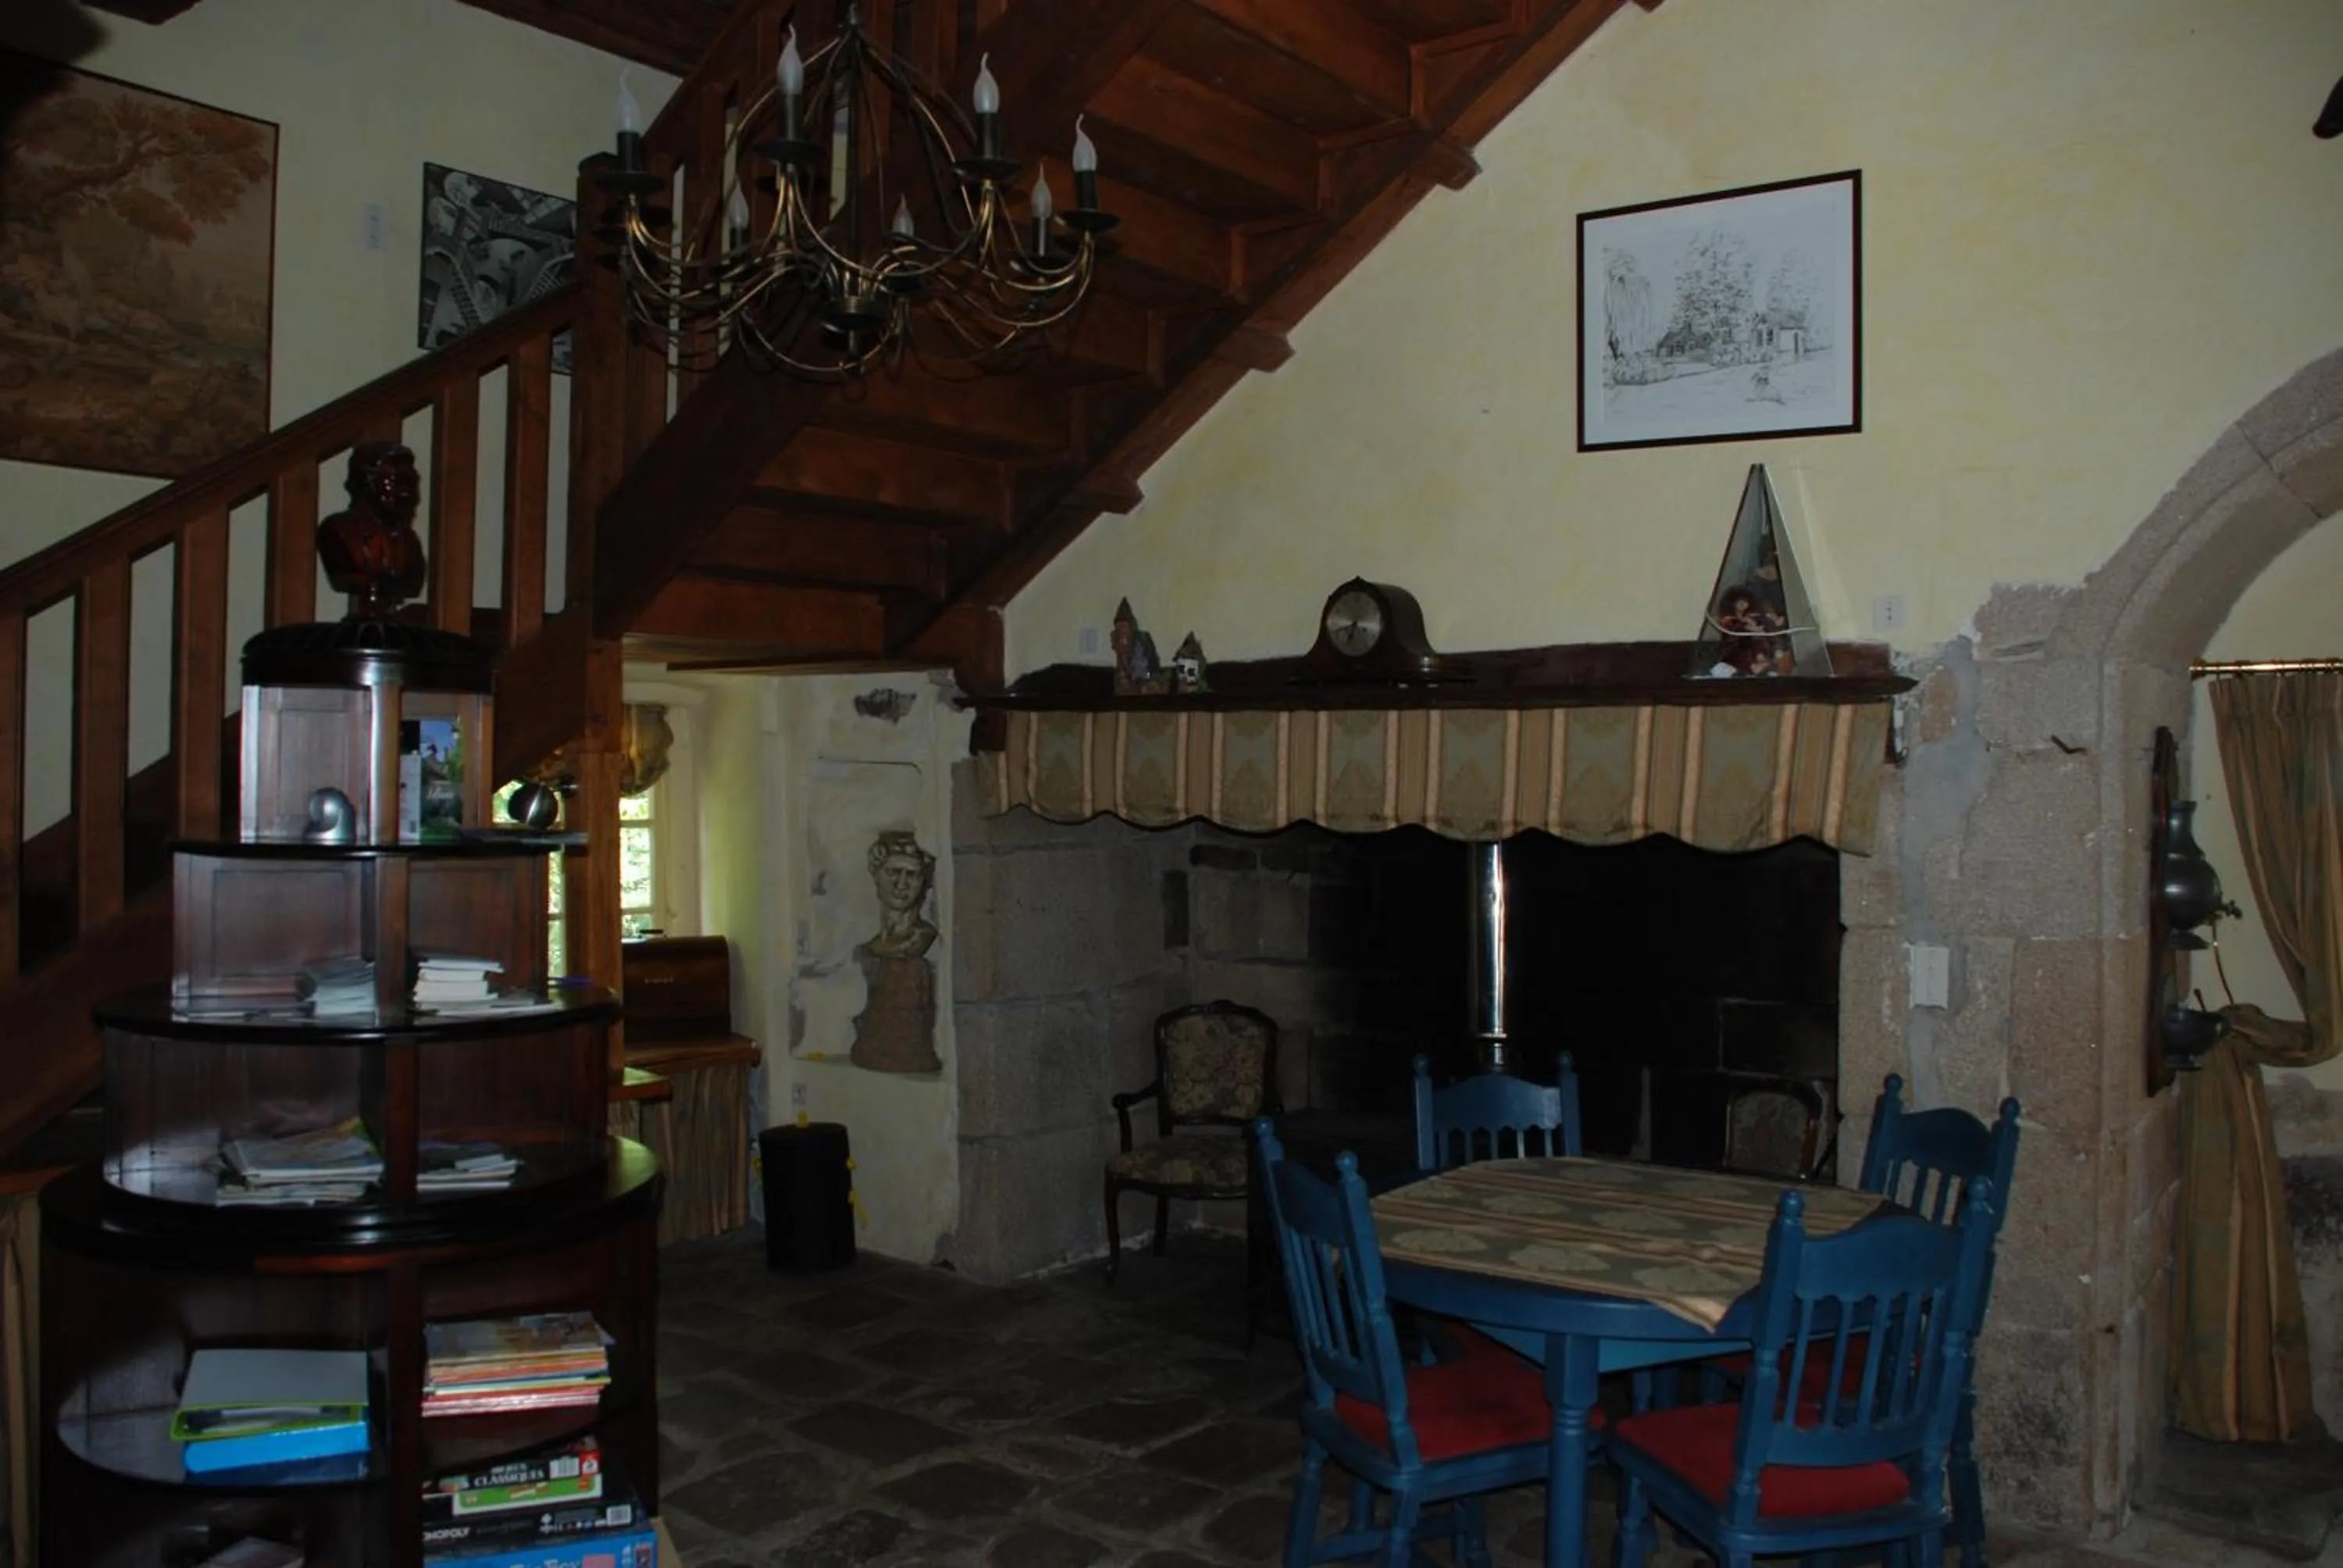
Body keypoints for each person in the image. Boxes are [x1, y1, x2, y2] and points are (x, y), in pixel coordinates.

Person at [316, 443, 426, 618]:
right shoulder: (337, 530)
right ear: (367, 484)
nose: (407, 493)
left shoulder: (409, 541)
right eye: (395, 482)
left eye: (411, 483)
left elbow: (412, 583)